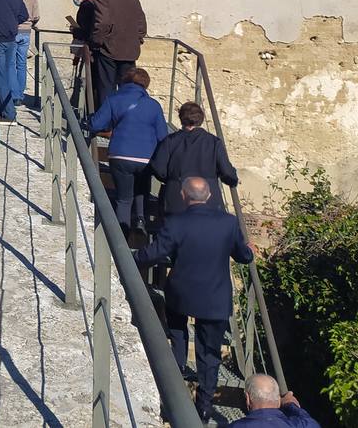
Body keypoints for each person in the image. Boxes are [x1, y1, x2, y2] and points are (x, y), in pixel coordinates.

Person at [134, 177, 254, 423]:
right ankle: (205, 404)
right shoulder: (228, 223)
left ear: (184, 195)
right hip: (214, 298)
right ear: (209, 196)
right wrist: (249, 249)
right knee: (209, 353)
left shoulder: (177, 222)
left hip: (181, 294)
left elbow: (155, 253)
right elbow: (243, 256)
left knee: (178, 336)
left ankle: (174, 388)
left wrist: (131, 257)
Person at [90, 68, 168, 242]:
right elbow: (163, 136)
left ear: (125, 81)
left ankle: (121, 239)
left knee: (124, 199)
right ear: (145, 85)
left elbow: (96, 124)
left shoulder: (114, 99)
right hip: (146, 157)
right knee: (142, 189)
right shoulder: (154, 105)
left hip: (120, 155)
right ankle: (140, 219)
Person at [150, 101, 239, 218]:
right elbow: (227, 172)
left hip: (176, 199)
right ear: (200, 119)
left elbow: (158, 168)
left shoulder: (170, 141)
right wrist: (232, 180)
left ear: (182, 118)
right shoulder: (213, 142)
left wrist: (173, 179)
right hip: (208, 200)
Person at [89, 0, 146, 105]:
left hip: (109, 50)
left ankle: (107, 123)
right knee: (128, 88)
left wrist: (96, 42)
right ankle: (126, 118)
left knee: (106, 89)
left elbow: (102, 23)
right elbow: (141, 22)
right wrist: (138, 39)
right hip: (130, 51)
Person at [230, 374, 322, 427]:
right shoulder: (297, 425)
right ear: (278, 399)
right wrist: (290, 404)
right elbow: (311, 423)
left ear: (248, 399)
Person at [7, 0, 39, 107]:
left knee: (11, 63)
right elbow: (36, 15)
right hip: (27, 31)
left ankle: (14, 95)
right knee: (22, 63)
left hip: (13, 30)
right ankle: (21, 92)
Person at [67, 0, 97, 109]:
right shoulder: (96, 3)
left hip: (86, 47)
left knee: (84, 79)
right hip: (92, 47)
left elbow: (85, 29)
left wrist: (75, 30)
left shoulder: (85, 6)